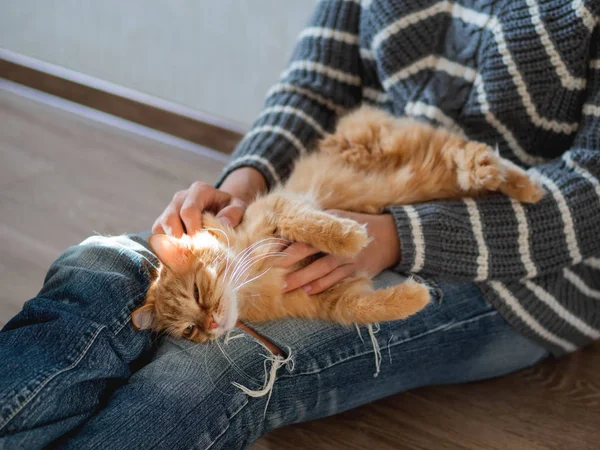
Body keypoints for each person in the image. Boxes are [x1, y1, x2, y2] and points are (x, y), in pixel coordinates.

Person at [1, 0, 599, 448]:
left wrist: (396, 235)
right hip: (357, 169)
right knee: (102, 268)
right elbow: (316, 86)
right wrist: (239, 189)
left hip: (529, 263)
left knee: (221, 363)